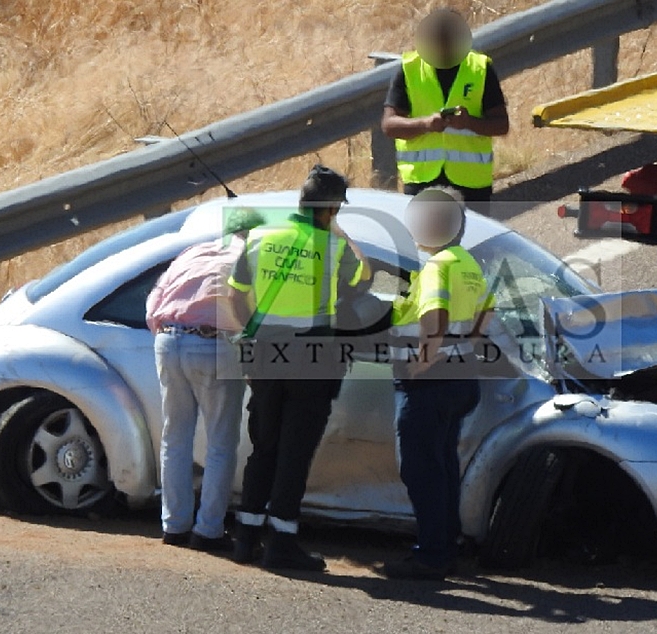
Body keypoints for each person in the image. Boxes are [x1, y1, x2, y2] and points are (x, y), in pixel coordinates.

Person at [228, 164, 368, 571]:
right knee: (295, 452)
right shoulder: (335, 249)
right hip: (311, 357)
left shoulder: (259, 237)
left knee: (264, 447)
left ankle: (246, 539)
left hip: (265, 351)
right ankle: (282, 543)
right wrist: (337, 231)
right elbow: (363, 278)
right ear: (331, 209)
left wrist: (249, 333)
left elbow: (235, 295)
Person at [383, 187, 495, 580]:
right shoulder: (467, 263)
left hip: (429, 383)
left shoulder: (436, 267)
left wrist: (422, 363)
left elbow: (435, 318)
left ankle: (432, 554)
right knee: (443, 464)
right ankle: (447, 544)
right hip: (462, 377)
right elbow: (487, 313)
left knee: (420, 469)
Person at [146, 207, 265, 552]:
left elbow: (154, 299)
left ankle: (174, 525)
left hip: (168, 339)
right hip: (214, 342)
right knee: (220, 443)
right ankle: (209, 530)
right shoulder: (251, 256)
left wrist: (167, 333)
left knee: (175, 437)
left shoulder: (193, 251)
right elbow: (253, 307)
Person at [382, 8, 510, 216]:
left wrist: (469, 123)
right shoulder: (409, 69)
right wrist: (426, 124)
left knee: (474, 246)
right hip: (423, 182)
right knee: (425, 246)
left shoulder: (480, 69)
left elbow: (501, 124)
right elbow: (389, 125)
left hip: (471, 184)